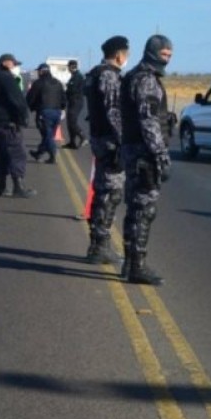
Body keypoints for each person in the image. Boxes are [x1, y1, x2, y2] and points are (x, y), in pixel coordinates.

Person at [119, 35, 173, 286]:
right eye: (164, 54)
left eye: (170, 55)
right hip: (143, 154)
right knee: (144, 211)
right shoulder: (147, 80)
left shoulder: (133, 76)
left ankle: (130, 263)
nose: (168, 58)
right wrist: (160, 154)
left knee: (134, 209)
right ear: (152, 53)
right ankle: (137, 265)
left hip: (132, 150)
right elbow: (149, 121)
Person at [85, 36, 130, 265]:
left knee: (103, 191)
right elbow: (114, 112)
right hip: (111, 142)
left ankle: (96, 243)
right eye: (126, 54)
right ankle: (100, 246)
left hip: (99, 138)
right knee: (109, 195)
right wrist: (126, 141)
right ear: (120, 55)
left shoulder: (94, 73)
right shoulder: (110, 76)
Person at [0, 53, 36, 198]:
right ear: (6, 63)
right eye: (15, 64)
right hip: (7, 123)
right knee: (17, 153)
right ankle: (18, 187)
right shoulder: (6, 78)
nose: (16, 67)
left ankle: (0, 187)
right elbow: (18, 101)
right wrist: (23, 118)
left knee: (1, 155)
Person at [27, 63, 67, 164]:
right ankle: (39, 153)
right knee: (49, 135)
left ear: (41, 71)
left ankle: (53, 154)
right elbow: (63, 98)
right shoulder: (58, 83)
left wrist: (31, 107)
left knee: (48, 136)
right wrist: (62, 108)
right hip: (57, 112)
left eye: (38, 71)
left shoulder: (38, 83)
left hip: (44, 112)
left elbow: (30, 98)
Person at [62, 59, 89, 149]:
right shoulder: (73, 76)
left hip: (76, 101)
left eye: (69, 67)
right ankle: (72, 142)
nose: (68, 69)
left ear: (72, 67)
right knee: (69, 123)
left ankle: (83, 137)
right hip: (72, 101)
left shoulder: (78, 77)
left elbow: (73, 90)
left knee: (72, 122)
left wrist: (66, 91)